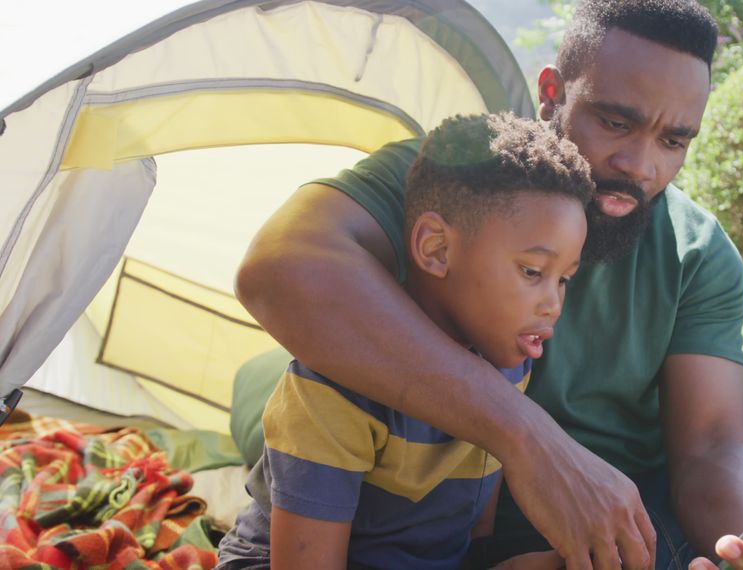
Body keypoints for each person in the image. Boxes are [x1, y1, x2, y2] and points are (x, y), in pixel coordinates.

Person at [235, 1, 743, 569]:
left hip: (633, 532)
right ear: (553, 93)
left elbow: (714, 446)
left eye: (674, 139)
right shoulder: (458, 177)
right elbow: (280, 269)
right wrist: (528, 440)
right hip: (461, 540)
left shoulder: (695, 249)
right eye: (615, 122)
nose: (640, 165)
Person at [216, 113, 593, 569]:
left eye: (565, 280)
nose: (553, 304)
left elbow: (470, 547)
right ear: (436, 248)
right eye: (533, 272)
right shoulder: (331, 392)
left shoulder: (511, 370)